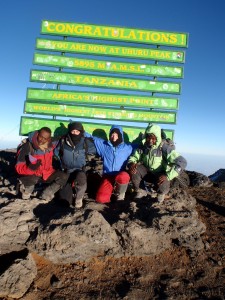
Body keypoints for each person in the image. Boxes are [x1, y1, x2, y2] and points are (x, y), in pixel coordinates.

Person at [128, 123, 187, 203]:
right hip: (147, 171)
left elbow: (182, 161)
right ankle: (140, 191)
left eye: (153, 138)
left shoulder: (164, 148)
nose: (150, 140)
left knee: (164, 182)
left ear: (157, 137)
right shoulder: (143, 146)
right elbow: (134, 157)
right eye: (149, 137)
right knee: (134, 171)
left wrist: (168, 176)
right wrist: (131, 163)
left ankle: (160, 195)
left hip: (160, 174)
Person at [15, 127, 68, 201]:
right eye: (41, 137)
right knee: (30, 180)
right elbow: (18, 167)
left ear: (49, 139)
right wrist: (31, 168)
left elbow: (59, 138)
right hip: (32, 174)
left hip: (47, 173)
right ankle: (26, 194)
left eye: (45, 138)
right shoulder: (27, 146)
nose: (42, 140)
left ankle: (46, 194)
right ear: (37, 134)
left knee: (63, 176)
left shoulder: (51, 145)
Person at [85, 125, 134, 204]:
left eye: (116, 135)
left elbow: (140, 147)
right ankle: (110, 192)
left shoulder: (127, 147)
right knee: (101, 199)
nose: (114, 137)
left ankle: (120, 196)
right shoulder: (104, 146)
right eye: (112, 134)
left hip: (120, 175)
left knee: (124, 176)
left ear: (120, 135)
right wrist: (78, 130)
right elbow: (92, 138)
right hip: (108, 177)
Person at [55, 122, 96, 208]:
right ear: (69, 131)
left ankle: (79, 199)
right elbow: (55, 153)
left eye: (77, 131)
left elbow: (95, 152)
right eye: (73, 131)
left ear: (81, 132)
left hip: (80, 170)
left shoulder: (86, 142)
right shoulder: (62, 141)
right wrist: (60, 165)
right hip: (66, 172)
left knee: (81, 176)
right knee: (65, 201)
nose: (75, 134)